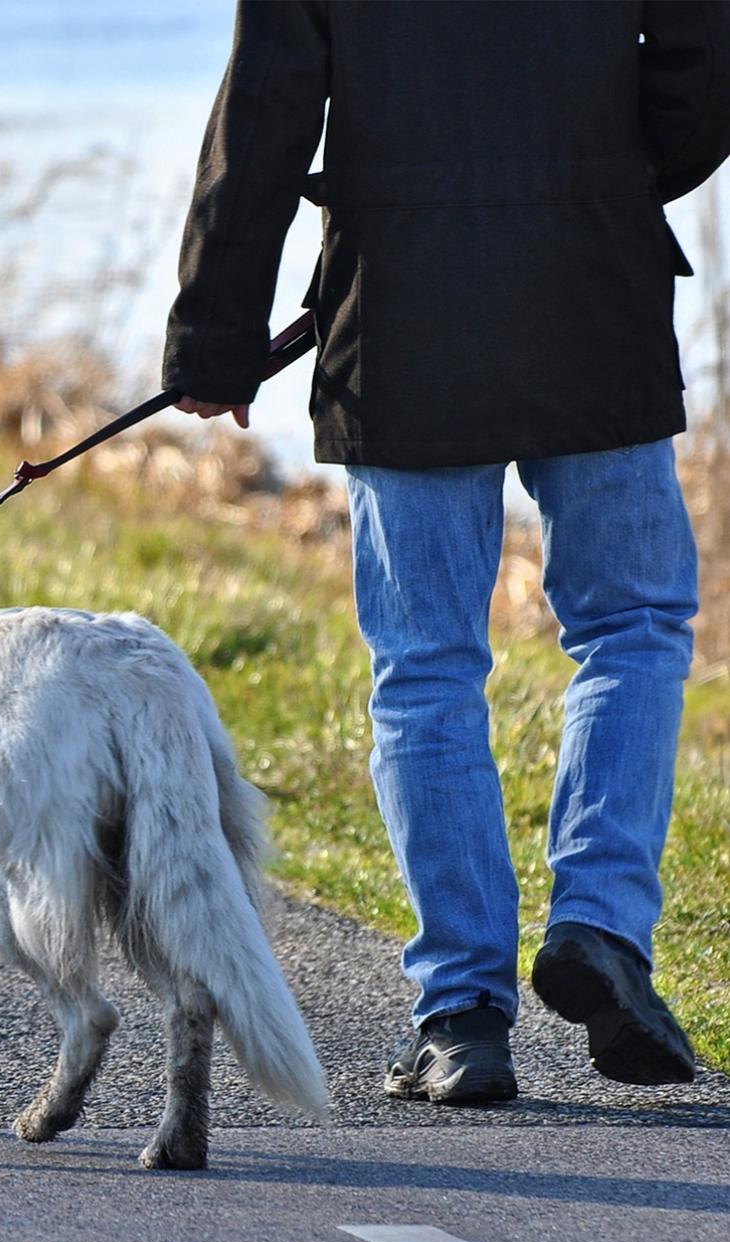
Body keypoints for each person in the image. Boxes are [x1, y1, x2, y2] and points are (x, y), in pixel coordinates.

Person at [164, 1, 730, 1104]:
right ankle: (599, 926)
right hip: (590, 285)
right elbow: (702, 68)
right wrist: (598, 178)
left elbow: (264, 115)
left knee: (424, 667)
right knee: (630, 626)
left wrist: (214, 336)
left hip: (402, 312)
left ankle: (461, 1015)